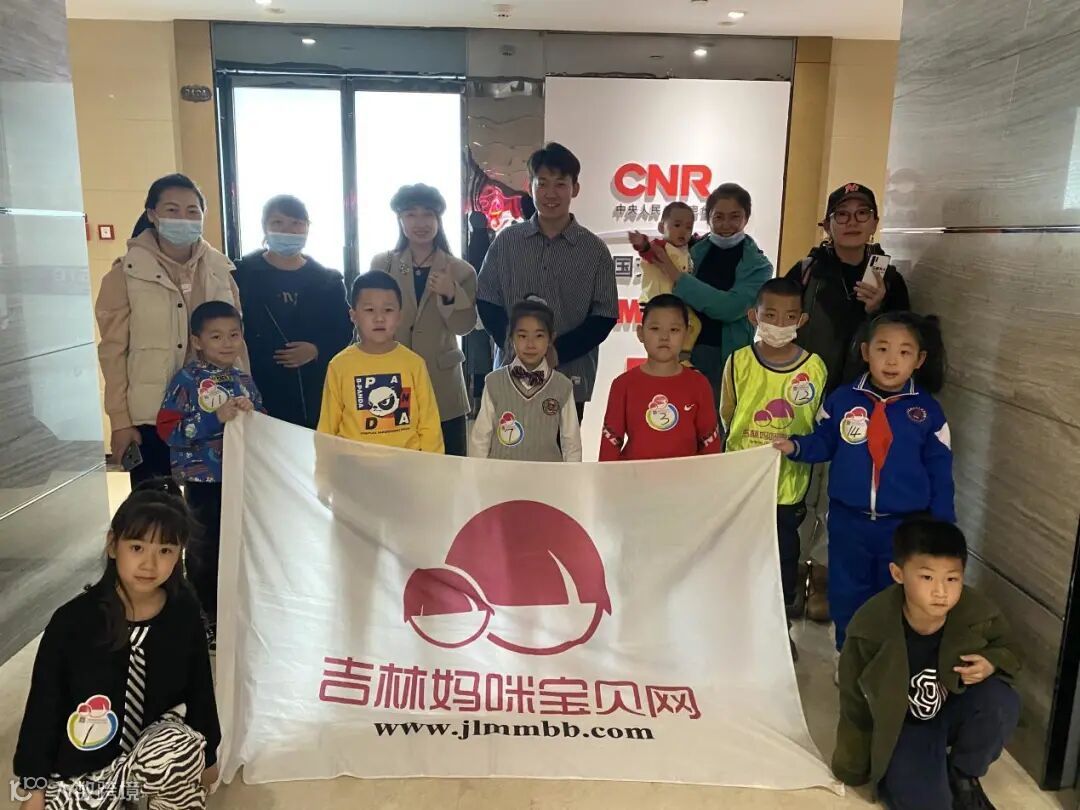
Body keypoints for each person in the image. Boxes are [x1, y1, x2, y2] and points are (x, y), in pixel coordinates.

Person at [13, 479, 220, 810]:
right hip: (88, 762)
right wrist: (34, 785)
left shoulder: (183, 613)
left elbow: (200, 688)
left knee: (178, 751)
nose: (149, 564)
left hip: (157, 756)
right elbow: (44, 706)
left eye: (165, 551)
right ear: (113, 545)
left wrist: (208, 756)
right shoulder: (72, 622)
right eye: (137, 548)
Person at [775, 312, 955, 664]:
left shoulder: (927, 412)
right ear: (865, 352)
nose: (892, 361)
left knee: (893, 593)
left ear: (919, 360)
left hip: (904, 526)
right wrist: (796, 446)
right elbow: (824, 441)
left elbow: (940, 471)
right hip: (849, 521)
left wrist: (942, 524)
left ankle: (885, 658)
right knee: (847, 590)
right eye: (882, 349)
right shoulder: (843, 400)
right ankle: (848, 654)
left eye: (904, 352)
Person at [833, 518, 1021, 810]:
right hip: (902, 727)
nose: (940, 591)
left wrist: (991, 663)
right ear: (898, 574)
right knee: (928, 803)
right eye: (927, 577)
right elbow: (854, 702)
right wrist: (852, 766)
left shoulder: (977, 612)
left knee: (1001, 700)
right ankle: (922, 773)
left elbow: (1009, 649)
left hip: (951, 710)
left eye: (952, 579)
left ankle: (963, 774)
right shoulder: (870, 628)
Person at [96, 173, 244, 486]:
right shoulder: (126, 274)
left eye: (192, 211)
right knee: (158, 506)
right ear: (152, 214)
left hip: (215, 411)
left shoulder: (220, 271)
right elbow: (112, 353)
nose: (183, 219)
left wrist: (245, 396)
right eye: (172, 210)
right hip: (151, 416)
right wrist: (120, 421)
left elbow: (237, 343)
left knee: (212, 508)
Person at [477, 142, 618, 422]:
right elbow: (487, 299)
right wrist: (516, 345)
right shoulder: (507, 242)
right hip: (511, 373)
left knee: (564, 448)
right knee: (510, 445)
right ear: (530, 187)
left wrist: (556, 352)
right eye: (542, 183)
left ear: (575, 189)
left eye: (560, 184)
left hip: (569, 375)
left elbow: (604, 315)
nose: (550, 193)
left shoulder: (594, 250)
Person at [720, 277, 827, 630]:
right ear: (754, 316)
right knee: (738, 553)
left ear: (802, 320)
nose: (779, 324)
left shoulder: (814, 368)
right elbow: (727, 414)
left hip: (787, 485)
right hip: (741, 481)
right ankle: (736, 624)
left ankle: (778, 631)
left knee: (782, 557)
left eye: (789, 317)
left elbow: (817, 422)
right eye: (770, 315)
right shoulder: (738, 361)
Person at [156, 301, 262, 648]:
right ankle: (205, 616)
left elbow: (262, 424)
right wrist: (213, 418)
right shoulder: (186, 380)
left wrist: (252, 413)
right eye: (216, 336)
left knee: (239, 545)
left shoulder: (243, 379)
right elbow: (168, 430)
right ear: (197, 341)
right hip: (202, 482)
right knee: (204, 548)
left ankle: (235, 613)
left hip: (241, 478)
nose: (227, 343)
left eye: (234, 335)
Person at [371, 184, 478, 456]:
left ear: (438, 219)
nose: (420, 223)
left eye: (428, 214)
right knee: (398, 464)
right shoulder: (383, 265)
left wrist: (451, 293)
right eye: (411, 214)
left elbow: (464, 326)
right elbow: (369, 320)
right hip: (392, 380)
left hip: (442, 384)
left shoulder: (461, 270)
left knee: (447, 464)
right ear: (400, 220)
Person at [645, 183, 774, 402]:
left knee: (716, 420)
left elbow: (729, 308)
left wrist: (676, 276)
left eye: (735, 217)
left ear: (746, 218)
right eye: (718, 217)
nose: (726, 225)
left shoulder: (760, 266)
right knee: (671, 414)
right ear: (708, 218)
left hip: (725, 358)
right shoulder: (690, 250)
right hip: (680, 352)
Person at [233, 194, 352, 430]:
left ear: (307, 228)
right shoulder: (241, 274)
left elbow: (343, 329)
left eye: (297, 223)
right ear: (264, 227)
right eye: (278, 222)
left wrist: (316, 350)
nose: (288, 230)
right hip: (256, 387)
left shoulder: (327, 280)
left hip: (312, 391)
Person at [787, 183, 911, 395]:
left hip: (866, 396)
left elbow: (904, 345)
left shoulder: (890, 280)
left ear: (874, 224)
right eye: (842, 214)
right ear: (828, 226)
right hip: (805, 390)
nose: (852, 222)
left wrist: (877, 311)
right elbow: (778, 328)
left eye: (862, 213)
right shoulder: (806, 272)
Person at [317, 271, 443, 453]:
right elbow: (327, 427)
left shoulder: (414, 364)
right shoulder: (339, 365)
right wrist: (325, 466)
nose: (379, 318)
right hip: (355, 465)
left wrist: (433, 465)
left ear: (399, 316)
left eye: (388, 310)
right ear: (353, 315)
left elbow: (430, 425)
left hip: (407, 464)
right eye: (369, 310)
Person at [600, 295, 720, 461]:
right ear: (640, 333)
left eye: (674, 330)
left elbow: (710, 446)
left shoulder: (699, 384)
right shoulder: (623, 385)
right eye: (655, 328)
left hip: (686, 477)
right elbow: (610, 444)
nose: (664, 337)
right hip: (635, 476)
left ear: (687, 334)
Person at [470, 298, 581, 462]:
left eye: (539, 336)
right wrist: (477, 473)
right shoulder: (494, 382)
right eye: (522, 336)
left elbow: (571, 443)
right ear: (511, 338)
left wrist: (572, 475)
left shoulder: (562, 386)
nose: (530, 344)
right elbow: (480, 438)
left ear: (551, 339)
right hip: (501, 474)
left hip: (546, 474)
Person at [628, 201, 701, 362]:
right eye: (677, 225)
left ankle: (682, 357)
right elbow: (647, 250)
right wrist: (641, 242)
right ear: (662, 227)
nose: (683, 231)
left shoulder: (688, 250)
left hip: (677, 304)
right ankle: (674, 359)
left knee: (694, 325)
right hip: (656, 302)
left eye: (688, 227)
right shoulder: (659, 247)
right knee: (662, 335)